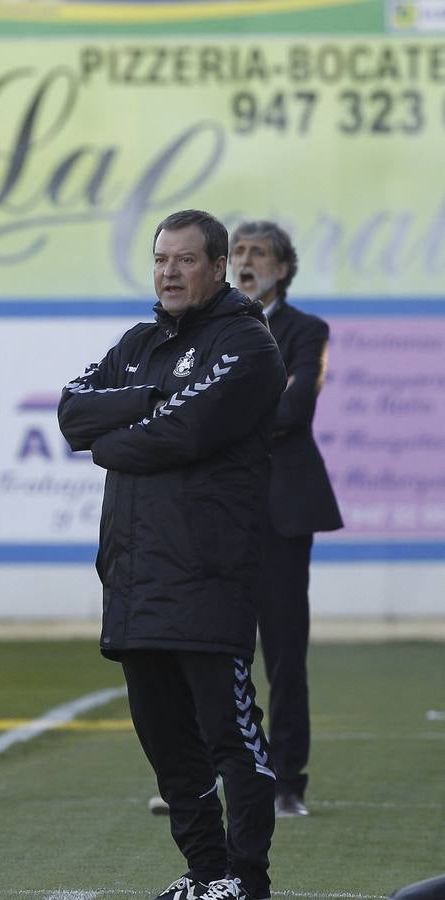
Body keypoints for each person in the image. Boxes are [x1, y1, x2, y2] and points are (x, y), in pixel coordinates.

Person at [58, 209, 287, 900]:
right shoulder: (137, 343)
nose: (168, 271)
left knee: (231, 738)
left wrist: (115, 437)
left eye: (184, 260)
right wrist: (150, 398)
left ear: (216, 267)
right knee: (167, 748)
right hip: (134, 579)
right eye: (161, 258)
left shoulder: (246, 346)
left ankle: (246, 881)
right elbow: (72, 412)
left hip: (207, 574)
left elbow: (183, 435)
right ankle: (205, 873)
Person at [229, 220, 343, 818]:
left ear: (282, 268)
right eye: (239, 251)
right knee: (216, 648)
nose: (246, 261)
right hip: (216, 509)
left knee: (283, 653)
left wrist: (217, 415)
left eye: (259, 253)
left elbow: (295, 408)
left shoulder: (305, 330)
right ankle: (220, 776)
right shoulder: (206, 328)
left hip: (280, 510)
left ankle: (286, 782)